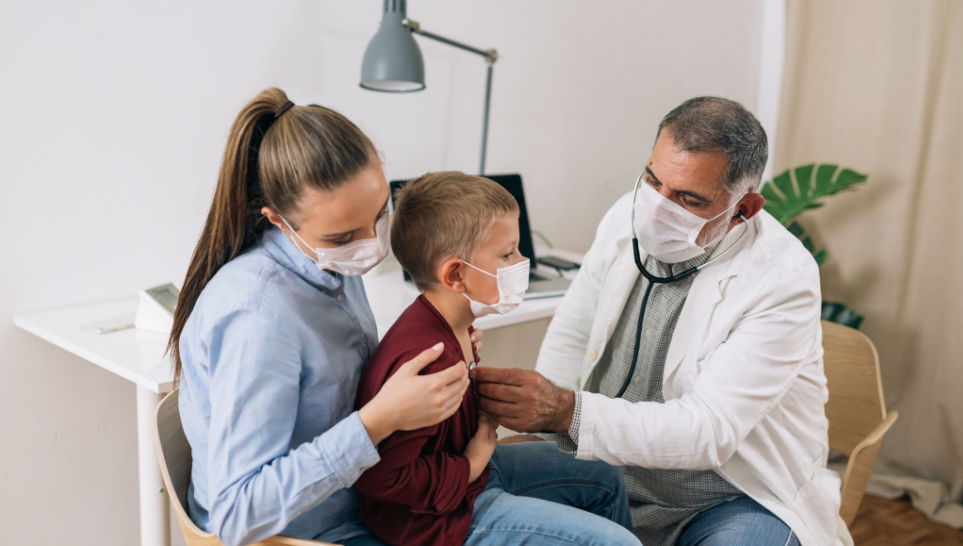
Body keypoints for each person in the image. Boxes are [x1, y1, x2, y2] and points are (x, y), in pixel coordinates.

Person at [472, 97, 853, 545]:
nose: (657, 210)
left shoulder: (783, 278)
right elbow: (573, 331)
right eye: (654, 180)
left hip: (726, 498)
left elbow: (708, 430)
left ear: (744, 209)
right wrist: (537, 428)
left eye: (689, 199)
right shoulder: (626, 214)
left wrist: (565, 412)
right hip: (608, 473)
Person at [167, 88, 478, 546]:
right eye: (343, 236)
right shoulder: (258, 319)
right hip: (312, 533)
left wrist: (443, 341)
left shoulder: (328, 265)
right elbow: (237, 514)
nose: (372, 244)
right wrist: (377, 422)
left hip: (369, 498)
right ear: (277, 221)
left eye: (380, 215)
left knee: (593, 485)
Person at [354, 172, 640, 546]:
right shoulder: (428, 362)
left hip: (471, 478)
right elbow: (384, 478)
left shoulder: (455, 327)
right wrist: (472, 461)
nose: (521, 262)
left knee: (604, 476)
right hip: (438, 521)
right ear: (456, 275)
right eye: (507, 254)